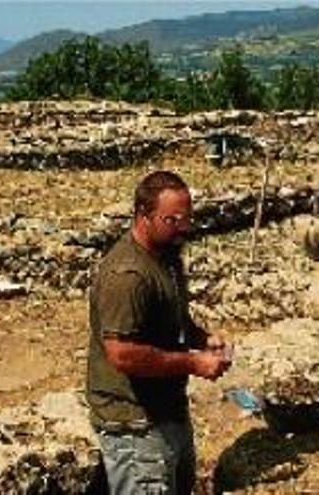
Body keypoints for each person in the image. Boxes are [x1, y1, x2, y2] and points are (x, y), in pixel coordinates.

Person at [87, 170, 232, 494]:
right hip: (135, 423)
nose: (183, 228)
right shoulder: (128, 275)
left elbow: (169, 317)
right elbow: (122, 354)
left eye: (187, 219)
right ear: (143, 215)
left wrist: (201, 338)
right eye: (172, 220)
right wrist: (193, 363)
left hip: (167, 411)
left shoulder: (166, 256)